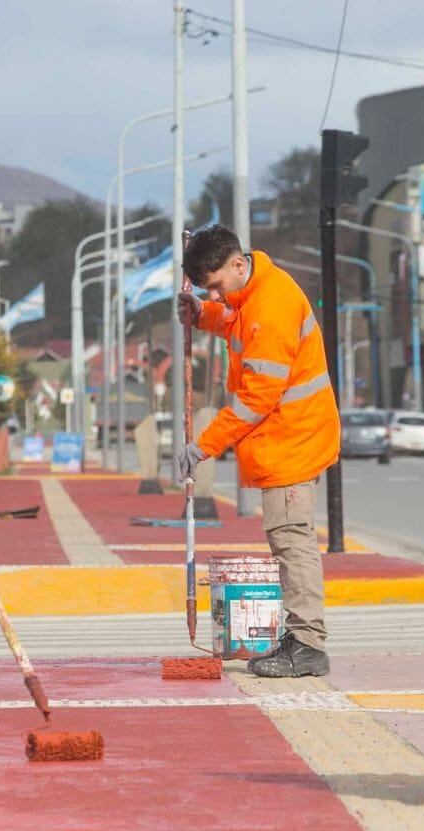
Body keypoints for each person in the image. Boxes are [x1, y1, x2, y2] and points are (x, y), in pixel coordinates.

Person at [176, 225, 340, 678]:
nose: (216, 293)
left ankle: (307, 644)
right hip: (287, 437)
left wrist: (203, 446)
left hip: (292, 439)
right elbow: (233, 322)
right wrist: (204, 313)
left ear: (236, 263)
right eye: (206, 288)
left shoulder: (271, 306)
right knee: (290, 540)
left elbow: (255, 400)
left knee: (292, 541)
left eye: (215, 285)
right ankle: (302, 639)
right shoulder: (253, 295)